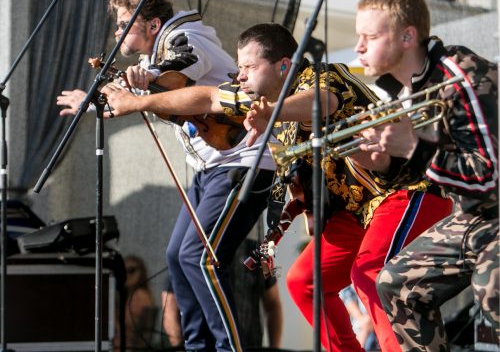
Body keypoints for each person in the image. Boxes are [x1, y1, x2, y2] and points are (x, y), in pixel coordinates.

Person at [101, 23, 452, 351]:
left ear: (284, 65)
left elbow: (320, 104)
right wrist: (137, 102)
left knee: (369, 272)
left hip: (404, 194)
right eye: (240, 67)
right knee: (305, 282)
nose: (239, 75)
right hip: (357, 213)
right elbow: (206, 98)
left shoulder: (322, 76)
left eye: (249, 67)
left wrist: (272, 112)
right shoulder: (266, 112)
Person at [57, 0, 276, 352]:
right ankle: (196, 347)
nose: (117, 31)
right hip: (213, 168)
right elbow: (129, 103)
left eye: (125, 22)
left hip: (243, 160)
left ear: (153, 24)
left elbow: (179, 71)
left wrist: (153, 77)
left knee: (200, 258)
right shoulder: (147, 63)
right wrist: (93, 105)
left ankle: (226, 349)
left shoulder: (188, 36)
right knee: (177, 255)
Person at [350, 0, 499, 350]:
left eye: (370, 36)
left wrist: (414, 148)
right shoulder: (411, 88)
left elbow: (489, 177)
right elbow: (428, 174)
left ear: (407, 36)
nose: (359, 47)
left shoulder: (461, 76)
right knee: (395, 284)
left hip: (495, 212)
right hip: (472, 216)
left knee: (491, 308)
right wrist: (384, 164)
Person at [114, 255, 156, 351]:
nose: (127, 275)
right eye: (123, 271)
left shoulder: (139, 295)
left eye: (131, 270)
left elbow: (129, 326)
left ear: (142, 272)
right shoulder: (131, 295)